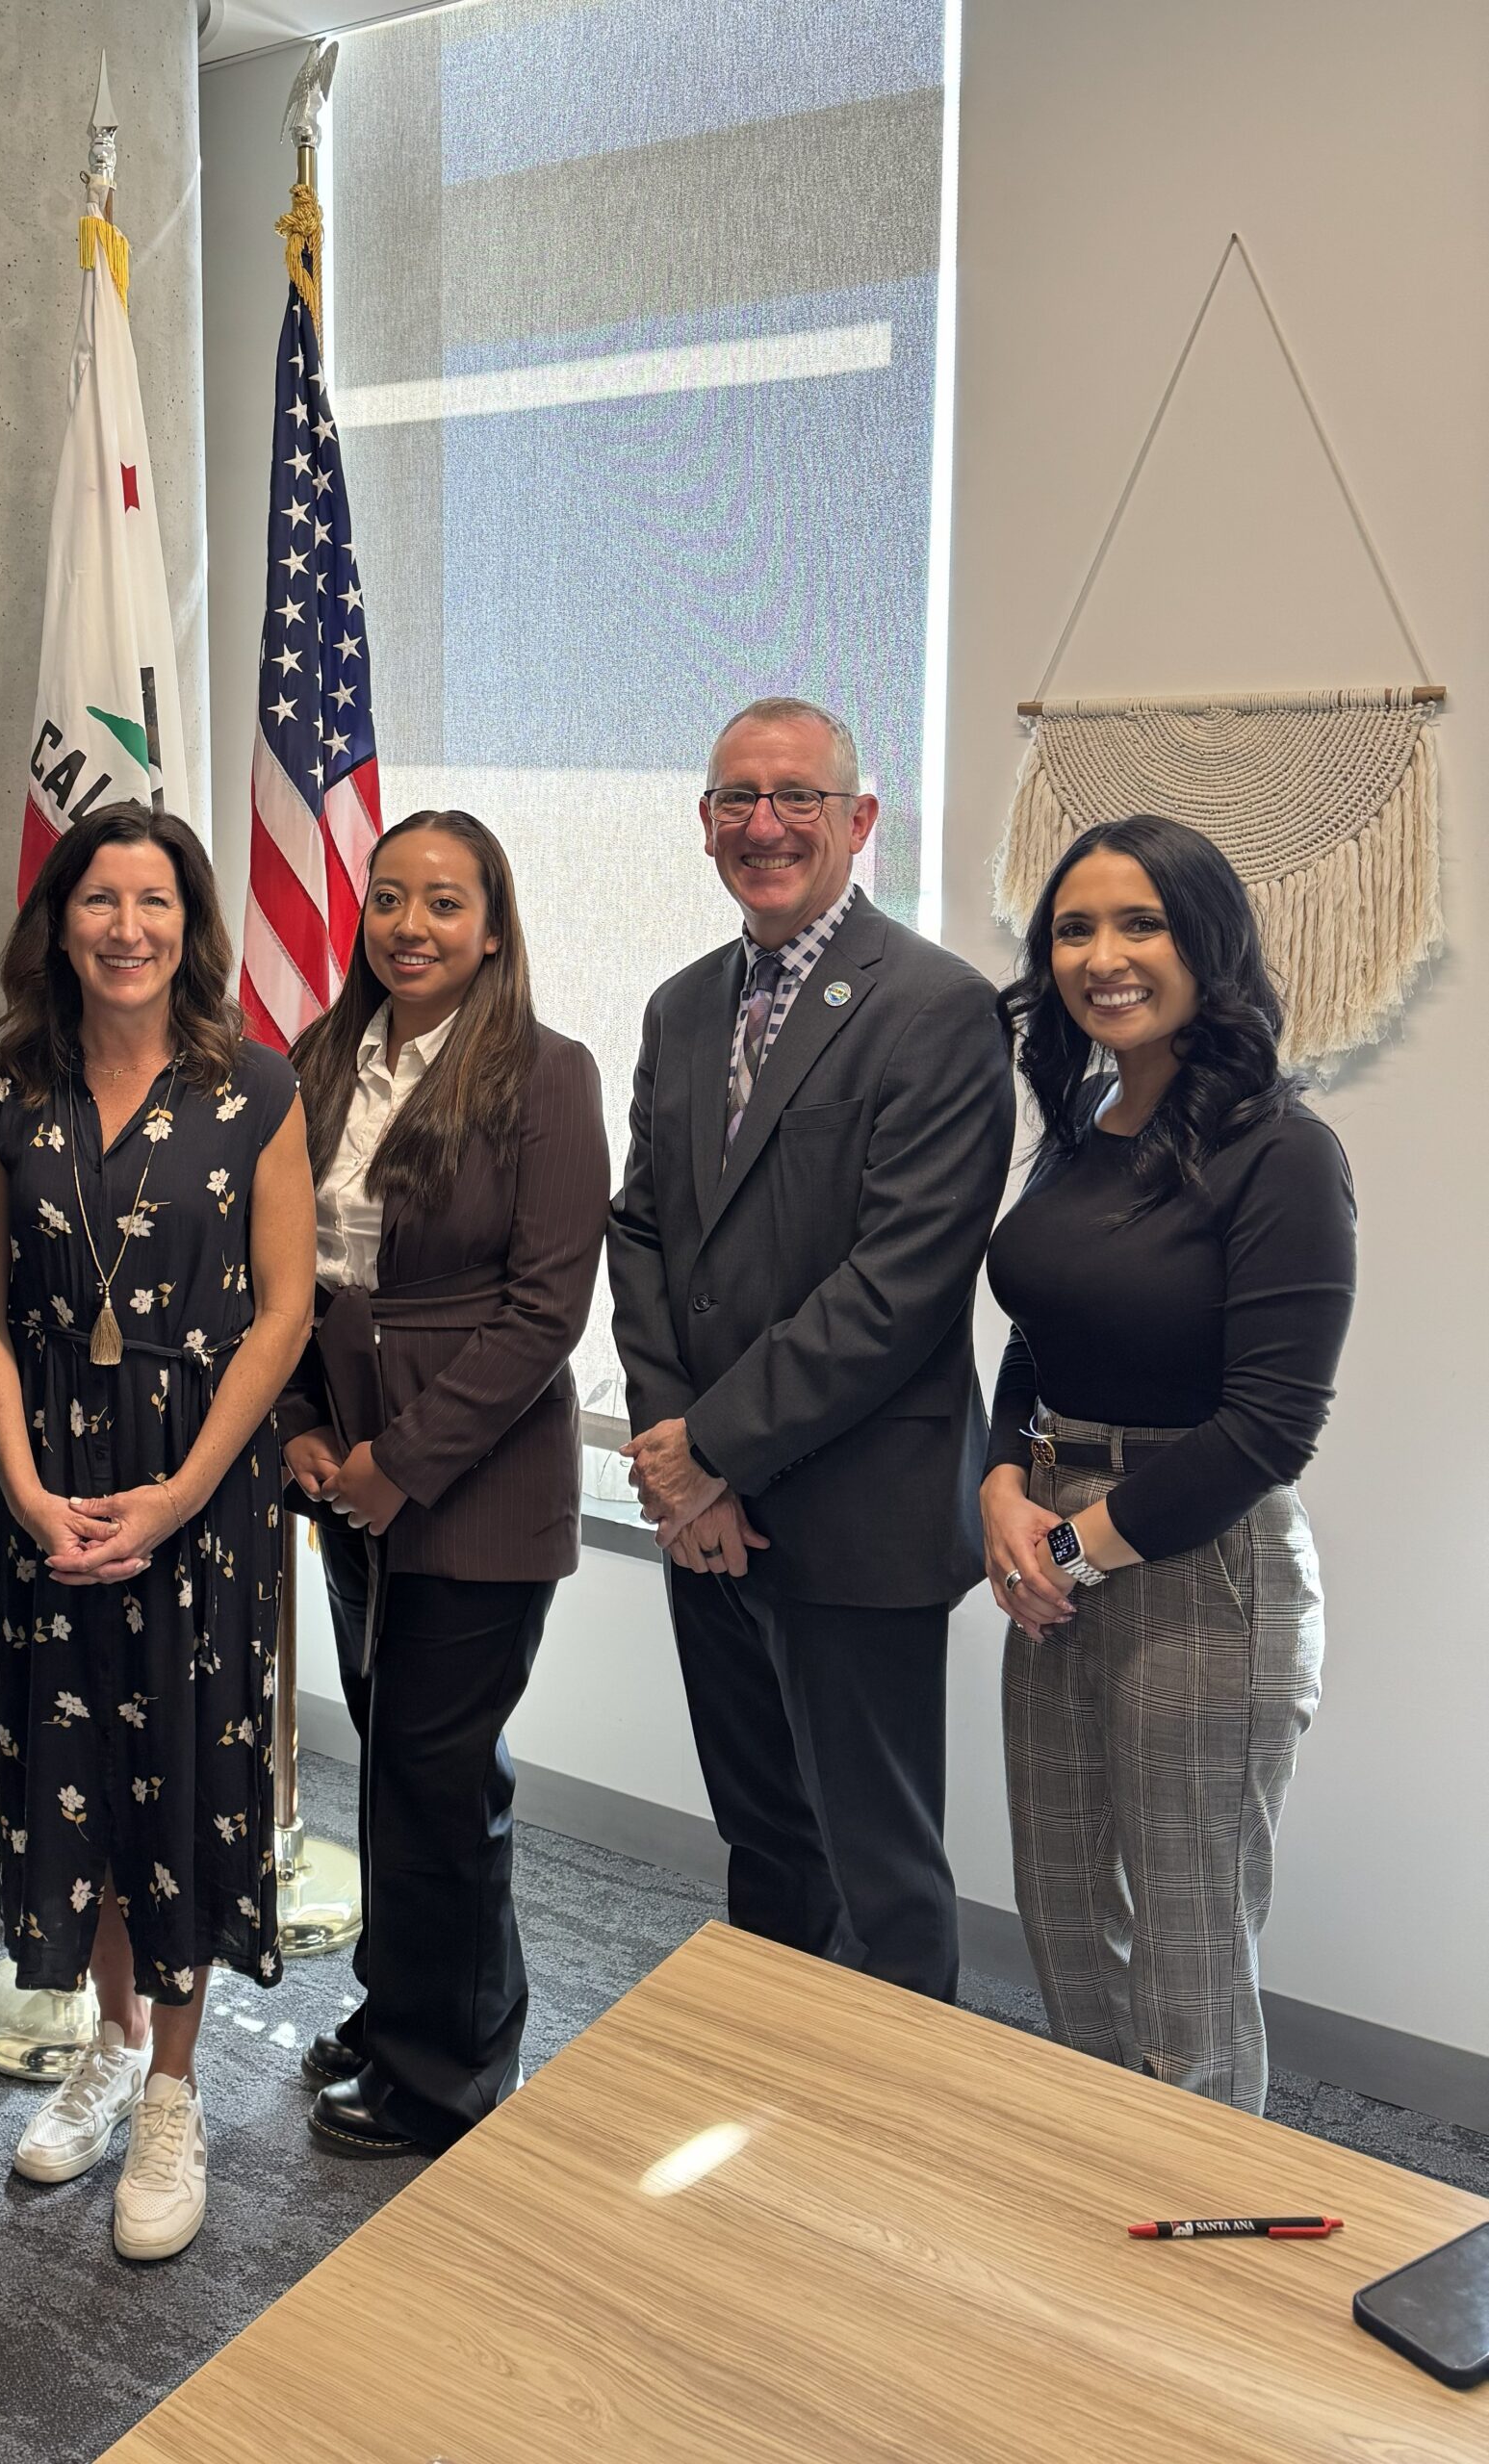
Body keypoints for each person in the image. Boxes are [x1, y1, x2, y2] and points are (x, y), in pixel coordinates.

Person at [607, 696, 1014, 2001]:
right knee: (767, 1849)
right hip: (707, 1518)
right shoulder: (681, 1008)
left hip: (856, 1515)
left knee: (879, 1877)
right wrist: (677, 1460)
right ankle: (770, 2102)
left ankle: (888, 2121)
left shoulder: (938, 1008)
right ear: (703, 822)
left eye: (797, 797)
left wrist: (710, 1451)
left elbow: (897, 1286)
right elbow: (643, 1233)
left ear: (859, 818)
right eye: (737, 797)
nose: (765, 824)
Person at [0, 802, 315, 2262]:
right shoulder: (4, 1086)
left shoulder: (257, 1086)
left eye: (153, 901)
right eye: (98, 899)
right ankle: (108, 2044)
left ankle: (174, 2087)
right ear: (58, 921)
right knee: (79, 1776)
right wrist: (22, 1482)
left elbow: (284, 1311)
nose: (125, 927)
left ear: (190, 923)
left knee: (185, 1774)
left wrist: (176, 1495)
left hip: (200, 1487)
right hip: (49, 1482)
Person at [984, 815, 1355, 2114]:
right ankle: (1102, 2181)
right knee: (1062, 1910)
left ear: (1206, 943)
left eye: (1138, 923)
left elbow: (1269, 1427)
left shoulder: (1283, 1152)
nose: (1103, 956)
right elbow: (1036, 1335)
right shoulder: (1080, 1123)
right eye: (1073, 928)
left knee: (1188, 1951)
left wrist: (1072, 1547)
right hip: (1049, 1542)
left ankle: (1197, 2216)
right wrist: (1000, 1485)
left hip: (1203, 1570)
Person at [278, 810, 606, 2158]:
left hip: (475, 1483)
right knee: (397, 1763)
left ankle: (448, 2076)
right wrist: (300, 1428)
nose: (410, 925)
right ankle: (404, 2006)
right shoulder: (317, 1060)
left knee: (439, 1770)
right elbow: (280, 1272)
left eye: (444, 902)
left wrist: (397, 1465)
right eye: (388, 896)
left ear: (493, 926)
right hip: (346, 1473)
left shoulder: (545, 1073)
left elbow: (544, 1313)